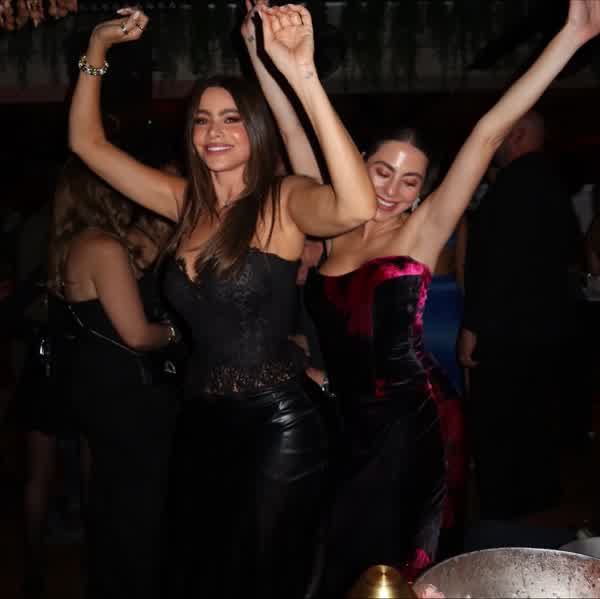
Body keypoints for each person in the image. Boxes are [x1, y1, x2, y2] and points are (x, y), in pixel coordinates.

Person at [251, 0, 600, 593]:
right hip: (348, 420)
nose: (392, 189)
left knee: (397, 563)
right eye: (383, 171)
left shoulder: (422, 230)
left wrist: (572, 35)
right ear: (360, 164)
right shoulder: (334, 222)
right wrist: (264, 53)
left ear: (421, 194)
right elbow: (291, 131)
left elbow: (488, 133)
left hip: (413, 423)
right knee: (339, 555)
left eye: (409, 180)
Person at [68, 4, 376, 598]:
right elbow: (86, 142)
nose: (214, 131)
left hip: (278, 424)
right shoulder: (184, 203)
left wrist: (303, 73)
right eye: (203, 120)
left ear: (255, 130)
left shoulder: (283, 201)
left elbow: (356, 206)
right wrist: (97, 49)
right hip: (200, 421)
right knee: (201, 573)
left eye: (232, 119)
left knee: (265, 577)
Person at [48, 156, 181, 599]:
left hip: (100, 384)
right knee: (141, 503)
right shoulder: (103, 247)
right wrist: (176, 333)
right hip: (126, 390)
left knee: (114, 495)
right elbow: (138, 335)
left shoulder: (77, 244)